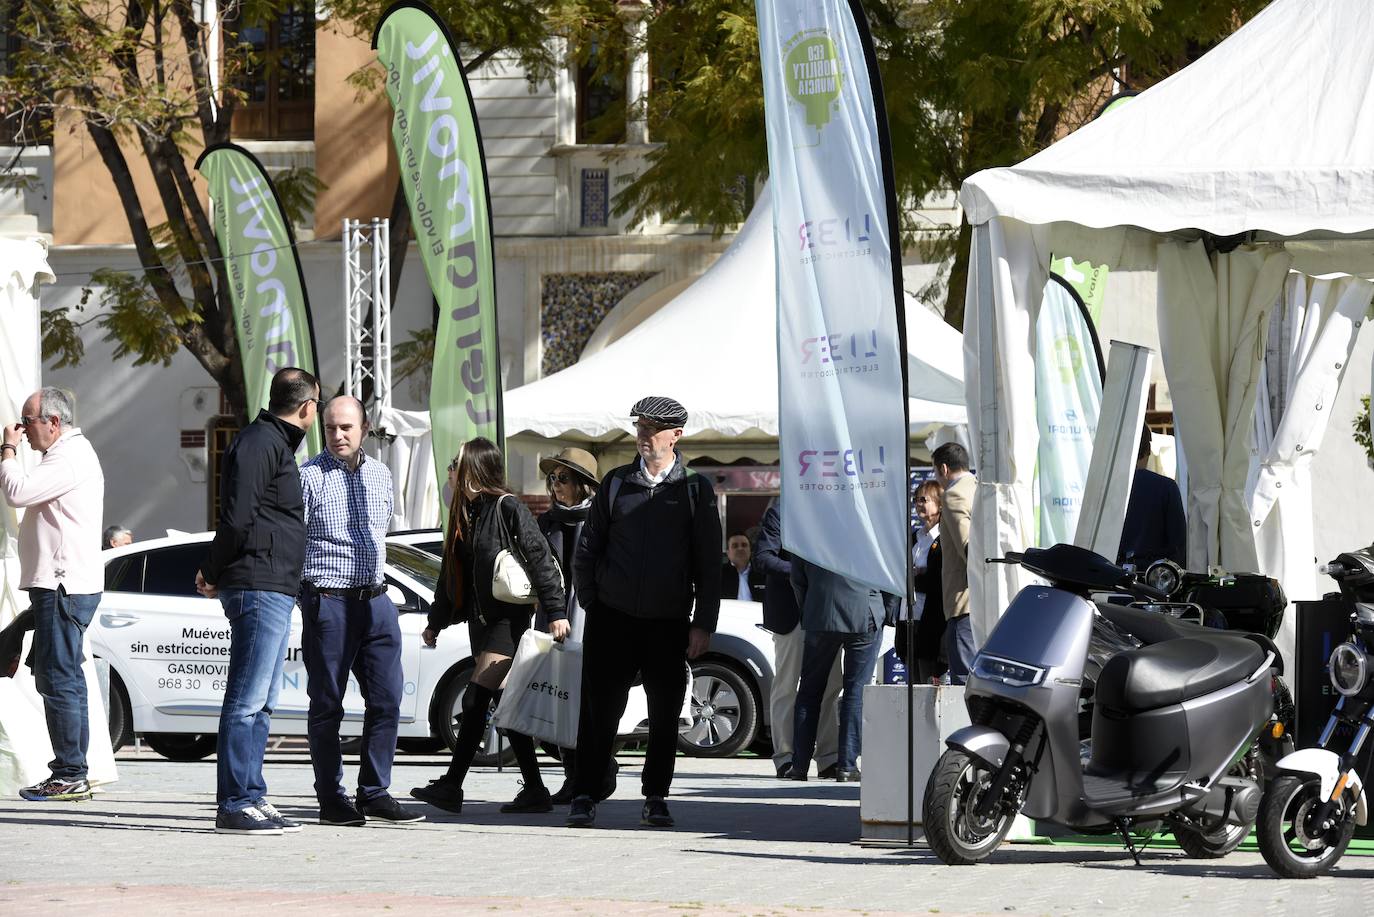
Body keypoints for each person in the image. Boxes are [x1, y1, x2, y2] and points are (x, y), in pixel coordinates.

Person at [566, 395, 721, 829]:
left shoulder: (694, 489)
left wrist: (702, 623)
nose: (644, 437)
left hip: (667, 620)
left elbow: (710, 565)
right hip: (612, 617)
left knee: (666, 712)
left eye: (653, 430)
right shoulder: (616, 483)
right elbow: (587, 551)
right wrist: (593, 601)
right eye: (639, 428)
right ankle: (585, 792)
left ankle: (656, 795)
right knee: (600, 710)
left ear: (676, 435)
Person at [411, 437, 566, 816]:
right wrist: (436, 621)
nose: (451, 472)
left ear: (475, 469)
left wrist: (556, 611)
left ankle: (451, 786)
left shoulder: (507, 507)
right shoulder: (468, 513)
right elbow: (452, 576)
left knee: (475, 699)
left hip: (506, 622)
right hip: (481, 625)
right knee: (505, 705)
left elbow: (540, 558)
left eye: (457, 464)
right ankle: (535, 789)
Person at [196, 367, 320, 835]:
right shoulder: (260, 442)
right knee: (246, 701)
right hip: (257, 584)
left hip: (273, 585)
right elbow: (237, 517)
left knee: (263, 703)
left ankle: (252, 796)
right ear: (308, 405)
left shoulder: (272, 443)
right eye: (317, 406)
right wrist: (213, 569)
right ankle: (233, 803)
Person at [299, 396, 422, 827]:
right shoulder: (308, 477)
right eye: (331, 427)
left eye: (347, 428)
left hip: (376, 600)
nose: (338, 435)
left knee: (387, 699)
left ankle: (374, 791)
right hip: (329, 600)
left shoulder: (380, 474)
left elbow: (381, 531)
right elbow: (295, 541)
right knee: (327, 705)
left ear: (364, 429)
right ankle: (332, 797)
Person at [1, 387, 104, 801]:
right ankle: (73, 769)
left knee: (58, 679)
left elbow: (17, 492)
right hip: (60, 585)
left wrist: (7, 451)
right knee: (63, 678)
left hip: (62, 586)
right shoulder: (64, 456)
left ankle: (69, 772)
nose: (23, 431)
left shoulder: (69, 457)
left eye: (29, 422)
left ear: (54, 423)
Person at [535, 446, 617, 805]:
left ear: (583, 484)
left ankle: (592, 771)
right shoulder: (546, 522)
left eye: (562, 478)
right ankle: (578, 772)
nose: (555, 485)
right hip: (551, 618)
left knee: (583, 700)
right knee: (554, 700)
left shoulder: (602, 520)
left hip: (588, 614)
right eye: (551, 478)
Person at [754, 499, 842, 780]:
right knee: (787, 685)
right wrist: (801, 573)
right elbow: (763, 557)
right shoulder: (780, 511)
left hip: (827, 609)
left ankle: (829, 757)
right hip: (791, 611)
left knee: (831, 684)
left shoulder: (834, 510)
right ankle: (785, 756)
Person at [789, 559, 897, 783]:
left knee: (809, 691)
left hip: (820, 611)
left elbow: (797, 577)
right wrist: (885, 611)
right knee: (855, 693)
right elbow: (891, 571)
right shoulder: (871, 527)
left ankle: (799, 766)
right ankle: (847, 766)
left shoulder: (812, 528)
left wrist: (810, 606)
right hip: (865, 611)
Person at [933, 441, 977, 685]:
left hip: (962, 603)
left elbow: (968, 547)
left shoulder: (953, 495)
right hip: (983, 602)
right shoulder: (978, 488)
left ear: (944, 468)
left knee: (964, 680)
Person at [895, 479, 946, 685]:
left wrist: (916, 576)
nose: (918, 504)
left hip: (931, 624)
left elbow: (940, 578)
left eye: (924, 500)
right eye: (916, 500)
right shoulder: (915, 537)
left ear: (940, 503)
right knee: (913, 687)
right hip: (908, 620)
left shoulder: (944, 538)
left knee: (929, 688)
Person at [1117, 424, 1187, 568]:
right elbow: (1179, 547)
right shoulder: (1166, 488)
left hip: (1110, 575)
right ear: (1148, 450)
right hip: (1154, 578)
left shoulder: (1107, 488)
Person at [720, 531, 765, 602]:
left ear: (750, 550)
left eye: (744, 545)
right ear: (728, 553)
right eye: (735, 546)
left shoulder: (763, 574)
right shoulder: (718, 575)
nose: (740, 548)